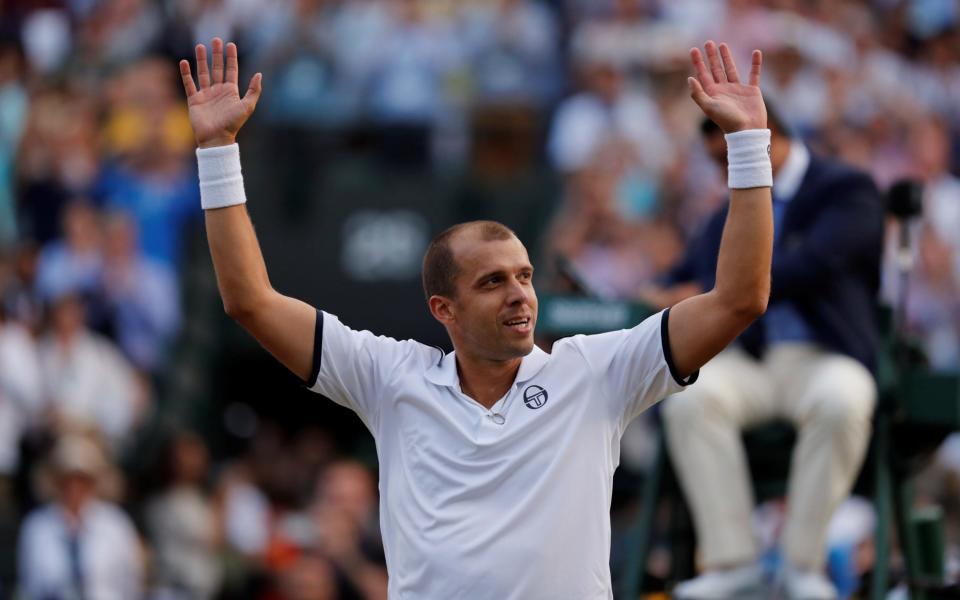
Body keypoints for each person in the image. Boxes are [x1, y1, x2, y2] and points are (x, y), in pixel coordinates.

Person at [179, 37, 773, 599]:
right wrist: (217, 151)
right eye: (492, 282)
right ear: (445, 309)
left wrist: (748, 144)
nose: (519, 294)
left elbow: (738, 299)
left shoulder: (596, 372)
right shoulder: (390, 378)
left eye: (524, 276)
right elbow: (249, 301)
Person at [643, 109, 883, 600]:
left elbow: (813, 264)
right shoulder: (724, 213)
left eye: (728, 156)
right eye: (716, 161)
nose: (723, 171)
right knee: (689, 399)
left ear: (763, 138)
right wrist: (651, 293)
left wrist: (707, 289)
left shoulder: (845, 188)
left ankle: (802, 565)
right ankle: (734, 563)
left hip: (822, 355)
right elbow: (677, 279)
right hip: (749, 361)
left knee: (844, 398)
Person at [18, 434, 143, 600]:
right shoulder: (36, 526)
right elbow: (30, 586)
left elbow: (131, 583)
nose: (74, 487)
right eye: (67, 479)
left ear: (93, 482)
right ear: (56, 480)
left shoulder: (115, 524)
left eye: (81, 479)